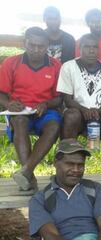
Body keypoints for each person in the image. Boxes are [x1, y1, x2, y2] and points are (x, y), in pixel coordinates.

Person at [0, 27, 62, 192]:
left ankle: (26, 171)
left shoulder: (56, 65)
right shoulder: (10, 63)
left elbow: (60, 97)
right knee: (19, 121)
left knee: (54, 126)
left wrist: (47, 104)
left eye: (41, 46)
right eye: (32, 45)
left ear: (47, 45)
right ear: (24, 43)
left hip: (45, 110)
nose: (36, 49)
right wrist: (8, 104)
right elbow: (1, 93)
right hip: (19, 111)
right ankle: (29, 174)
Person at [58, 34, 101, 177]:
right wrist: (83, 110)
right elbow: (67, 99)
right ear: (80, 48)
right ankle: (68, 162)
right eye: (87, 47)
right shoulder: (68, 66)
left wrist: (97, 111)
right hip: (77, 112)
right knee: (71, 116)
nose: (91, 50)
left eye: (95, 47)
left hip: (100, 113)